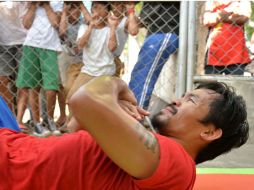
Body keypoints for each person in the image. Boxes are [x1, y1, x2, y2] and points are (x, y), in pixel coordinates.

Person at [0, 76, 249, 189]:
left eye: (190, 100)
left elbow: (85, 99)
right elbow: (75, 127)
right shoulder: (149, 152)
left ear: (210, 132)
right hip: (13, 145)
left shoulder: (177, 162)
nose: (176, 100)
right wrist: (113, 111)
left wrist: (116, 84)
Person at [16, 1, 62, 136]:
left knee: (51, 87)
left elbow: (55, 23)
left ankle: (48, 119)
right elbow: (26, 24)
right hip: (31, 44)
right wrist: (34, 5)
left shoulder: (56, 2)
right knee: (32, 86)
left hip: (50, 46)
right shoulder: (31, 2)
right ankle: (36, 123)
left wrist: (46, 5)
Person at [128, 2, 180, 110]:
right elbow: (134, 29)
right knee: (139, 74)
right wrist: (131, 11)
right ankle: (133, 111)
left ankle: (135, 114)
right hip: (154, 32)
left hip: (165, 30)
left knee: (142, 76)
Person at [66, 1, 118, 101]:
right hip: (88, 71)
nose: (97, 12)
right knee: (72, 98)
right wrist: (91, 26)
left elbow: (112, 48)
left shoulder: (109, 30)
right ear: (91, 11)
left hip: (106, 73)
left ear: (107, 13)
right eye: (95, 8)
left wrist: (112, 27)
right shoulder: (84, 27)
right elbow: (80, 45)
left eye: (102, 9)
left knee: (101, 102)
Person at [202, 0, 251, 75]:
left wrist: (219, 16)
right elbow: (206, 20)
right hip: (213, 55)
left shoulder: (241, 2)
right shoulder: (211, 2)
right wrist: (230, 15)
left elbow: (244, 18)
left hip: (237, 55)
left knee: (235, 84)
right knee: (211, 84)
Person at [0, 2, 27, 114]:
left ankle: (19, 118)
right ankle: (11, 115)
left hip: (23, 41)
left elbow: (11, 8)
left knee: (22, 83)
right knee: (2, 82)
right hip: (3, 42)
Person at [109, 1, 139, 77]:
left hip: (114, 59)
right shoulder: (106, 18)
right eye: (113, 4)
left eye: (118, 4)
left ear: (123, 5)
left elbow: (133, 31)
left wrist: (130, 11)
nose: (116, 7)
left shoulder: (126, 20)